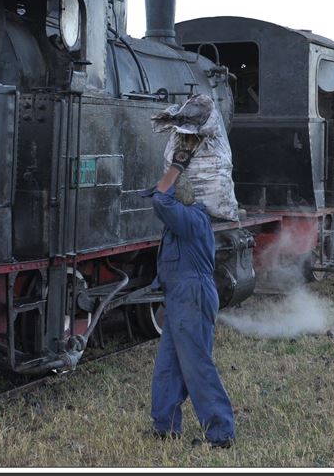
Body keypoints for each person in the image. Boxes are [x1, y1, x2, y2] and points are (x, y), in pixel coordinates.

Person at [145, 134, 236, 449]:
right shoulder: (179, 223)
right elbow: (159, 198)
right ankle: (165, 426)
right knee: (168, 366)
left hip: (193, 296)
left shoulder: (194, 219)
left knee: (196, 365)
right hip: (179, 298)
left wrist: (177, 165)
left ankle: (221, 432)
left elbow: (160, 199)